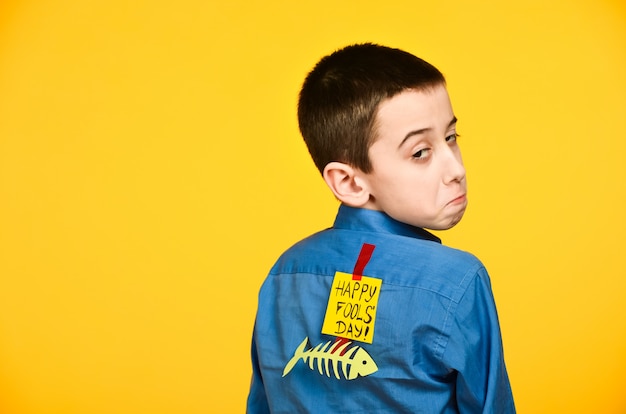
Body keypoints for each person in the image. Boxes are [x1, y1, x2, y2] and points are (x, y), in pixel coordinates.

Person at [247, 43, 515, 413]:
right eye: (420, 152)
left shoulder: (284, 273)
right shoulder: (457, 280)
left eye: (451, 138)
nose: (456, 169)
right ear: (350, 182)